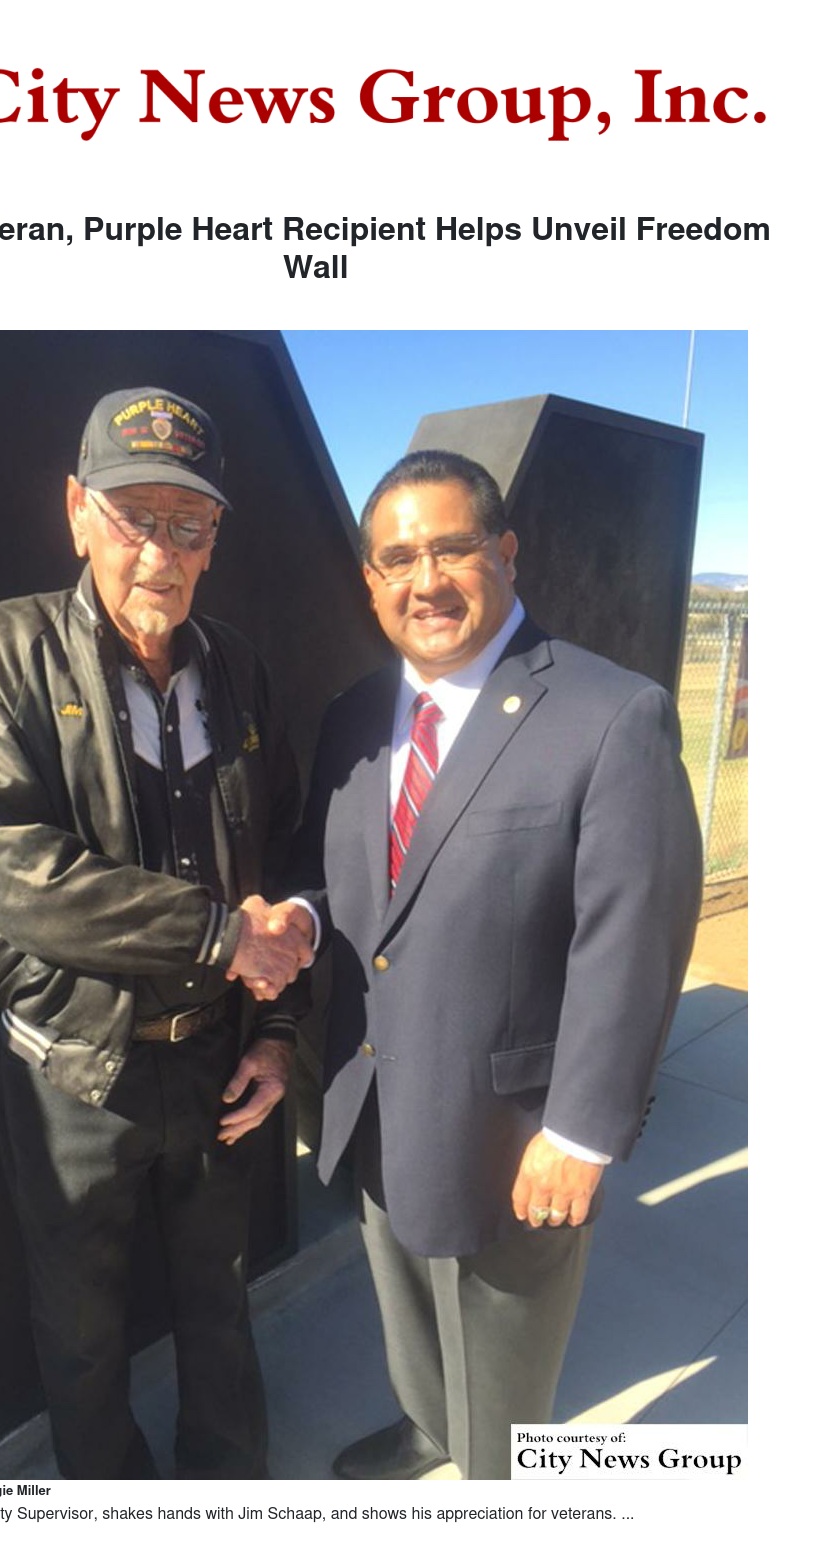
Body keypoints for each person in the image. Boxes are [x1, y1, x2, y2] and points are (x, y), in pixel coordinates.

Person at [282, 448, 703, 1481]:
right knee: (406, 1307)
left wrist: (580, 1131)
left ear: (506, 551)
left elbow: (633, 939)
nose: (424, 580)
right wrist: (292, 917)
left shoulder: (611, 714)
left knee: (505, 1370)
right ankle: (430, 1426)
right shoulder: (353, 717)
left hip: (510, 1132)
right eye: (397, 559)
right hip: (373, 1099)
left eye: (452, 548)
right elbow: (335, 880)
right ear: (371, 580)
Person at [0, 386, 312, 1480]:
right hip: (75, 1076)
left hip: (215, 1060)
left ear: (215, 539)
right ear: (78, 513)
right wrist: (216, 936)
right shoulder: (1, 650)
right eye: (134, 517)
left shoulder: (238, 666)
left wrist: (277, 1028)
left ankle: (227, 1483)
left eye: (189, 523)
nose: (162, 552)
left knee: (221, 1301)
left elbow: (284, 853)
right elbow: (9, 869)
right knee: (80, 1332)